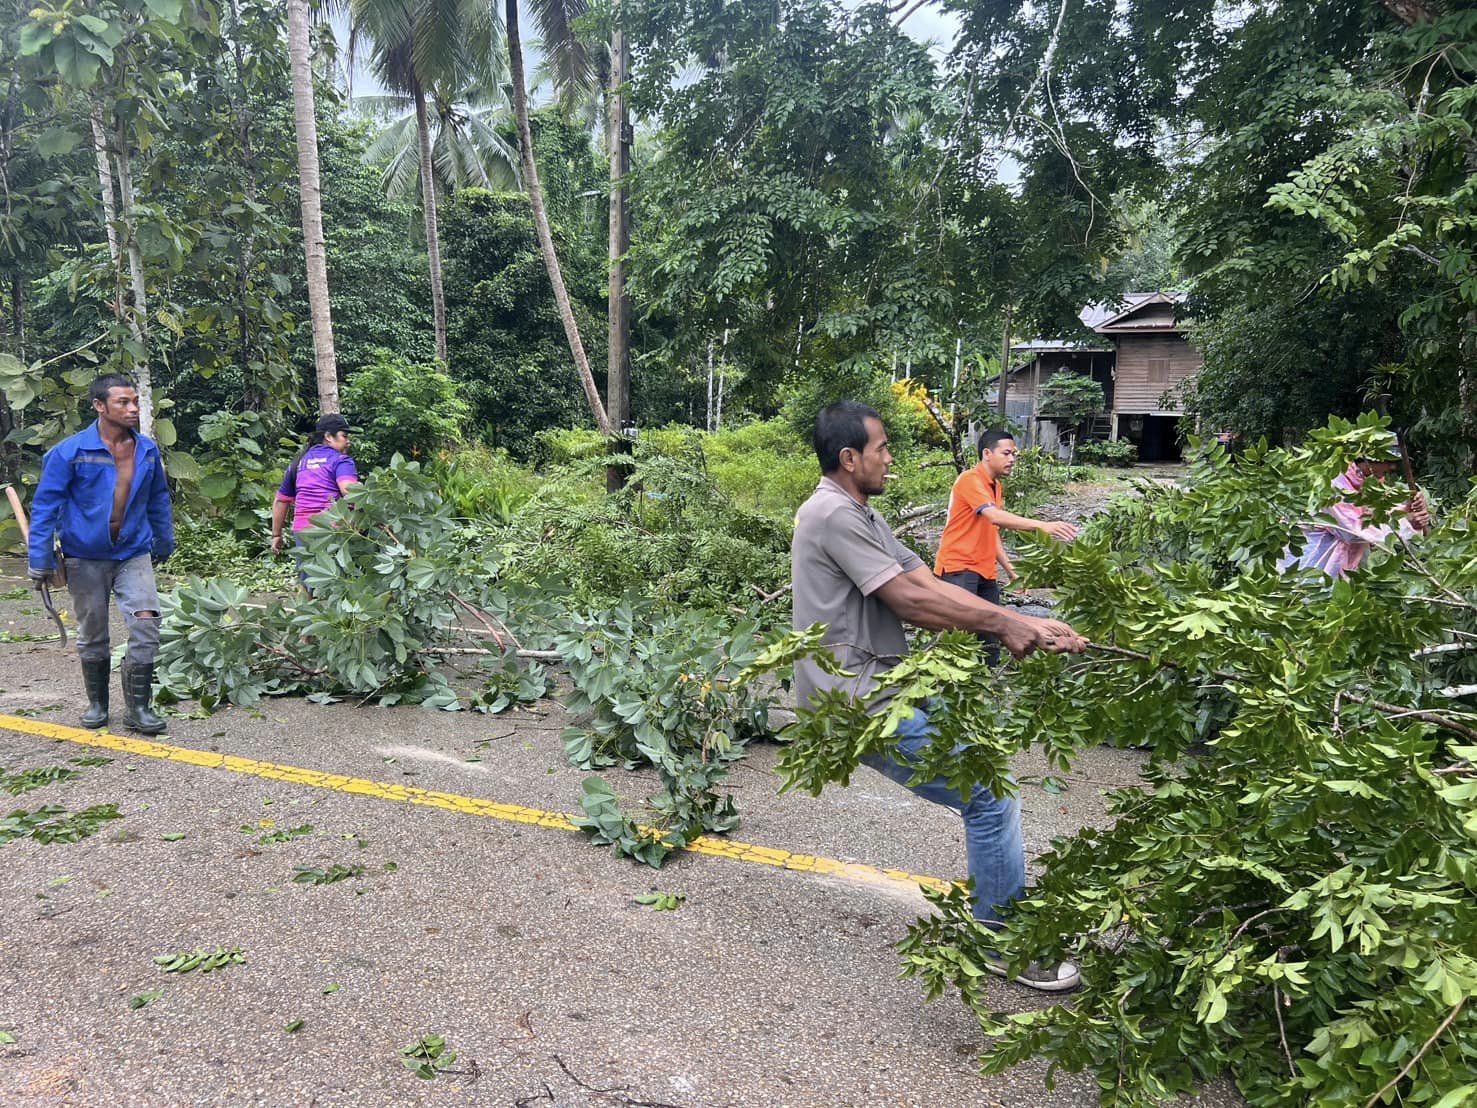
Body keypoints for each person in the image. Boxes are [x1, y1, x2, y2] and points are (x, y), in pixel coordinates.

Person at [791, 401, 1088, 992]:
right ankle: (1004, 941)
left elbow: (926, 579)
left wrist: (1026, 620)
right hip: (859, 701)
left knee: (989, 775)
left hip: (892, 685)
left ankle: (1001, 910)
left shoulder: (863, 515)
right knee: (989, 798)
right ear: (850, 458)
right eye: (881, 448)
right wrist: (1005, 627)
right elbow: (909, 601)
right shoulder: (831, 515)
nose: (889, 457)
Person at [27, 374, 174, 734]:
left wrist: (164, 541)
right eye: (123, 402)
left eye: (135, 401)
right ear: (99, 406)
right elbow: (46, 507)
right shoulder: (69, 452)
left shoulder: (147, 451)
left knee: (146, 623)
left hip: (133, 552)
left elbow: (157, 499)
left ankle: (138, 709)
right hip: (83, 556)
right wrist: (39, 558)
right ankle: (97, 704)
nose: (133, 408)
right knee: (93, 633)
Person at [934, 429, 1078, 660]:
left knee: (992, 636)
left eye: (1015, 454)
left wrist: (1012, 572)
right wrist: (1043, 525)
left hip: (985, 571)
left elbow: (992, 531)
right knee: (959, 640)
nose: (1012, 459)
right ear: (987, 453)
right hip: (958, 569)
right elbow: (995, 517)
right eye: (1007, 453)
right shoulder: (970, 479)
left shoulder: (995, 486)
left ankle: (988, 689)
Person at [1279, 436, 1431, 579]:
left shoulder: (1368, 482)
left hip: (1337, 573)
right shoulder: (1334, 485)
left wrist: (1406, 510)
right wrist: (1408, 525)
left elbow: (1375, 513)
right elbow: (1355, 532)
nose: (1392, 467)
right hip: (1308, 569)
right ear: (1368, 458)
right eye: (1388, 460)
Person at [270, 414, 359, 591]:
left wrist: (276, 535)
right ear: (328, 436)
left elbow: (281, 500)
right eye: (345, 436)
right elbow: (349, 490)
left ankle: (306, 615)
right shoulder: (340, 460)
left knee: (307, 583)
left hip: (303, 531)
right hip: (333, 530)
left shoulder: (299, 462)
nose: (348, 441)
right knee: (340, 584)